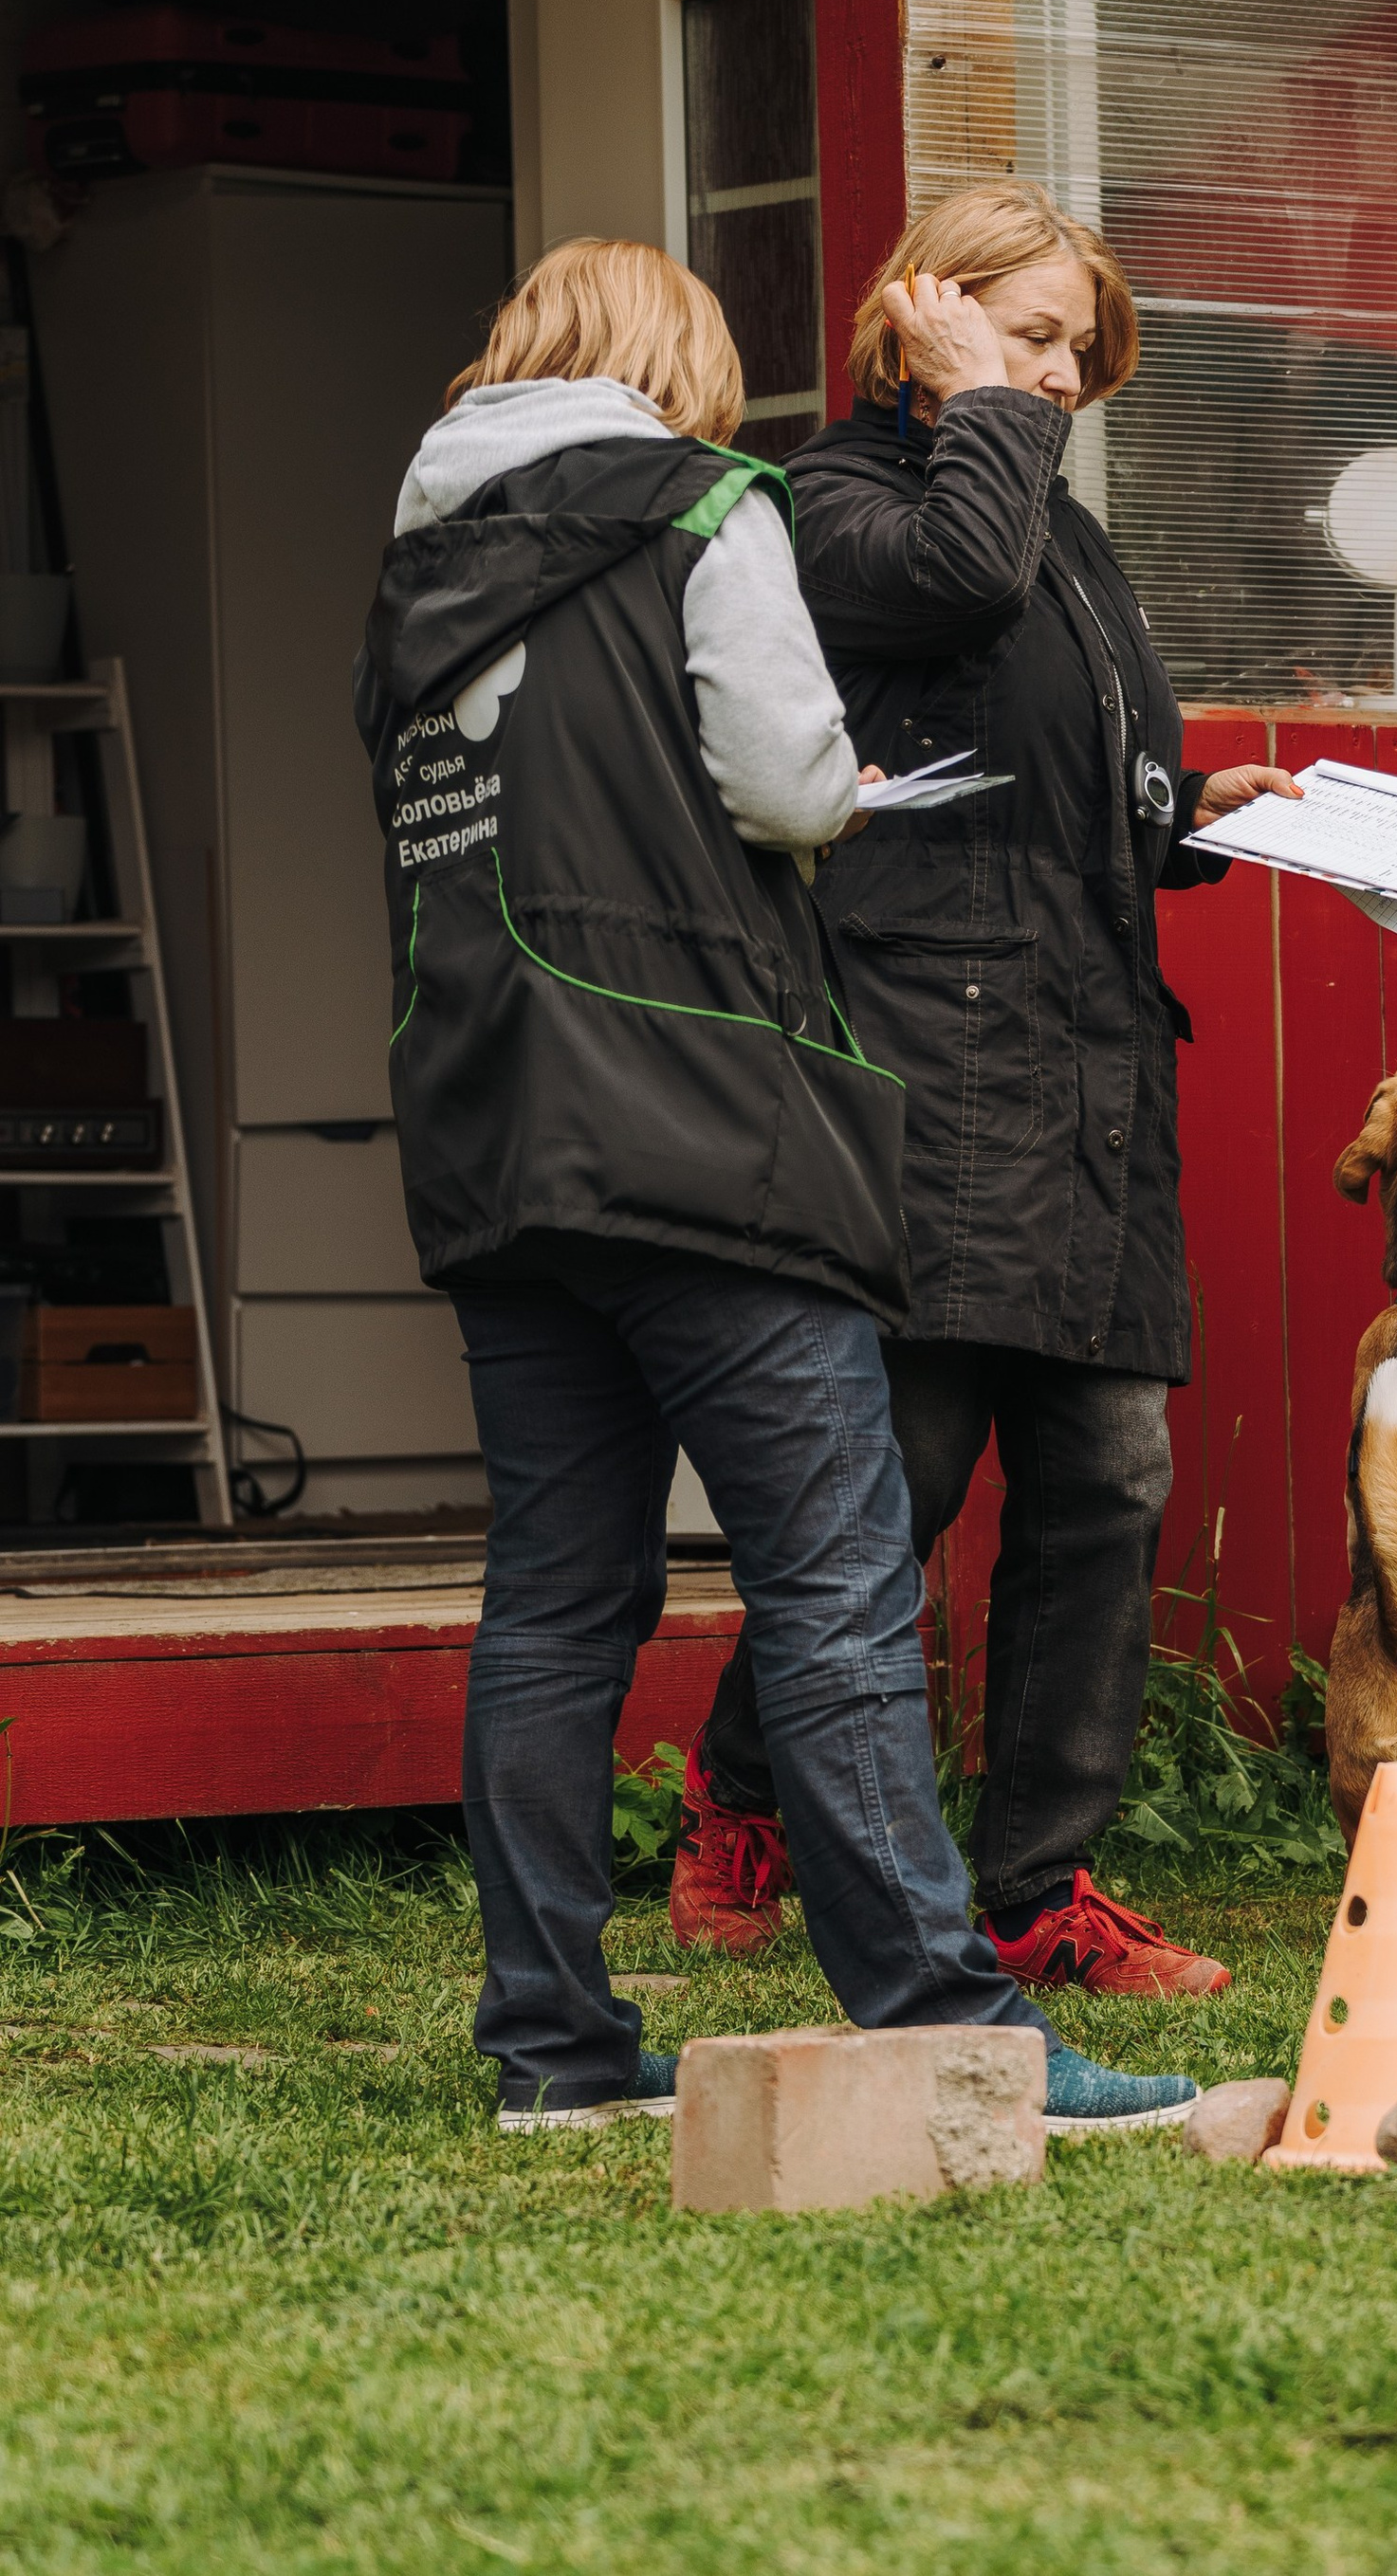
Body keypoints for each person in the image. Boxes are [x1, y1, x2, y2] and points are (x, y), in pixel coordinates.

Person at [357, 236, 1196, 2133]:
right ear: (677, 374)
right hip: (700, 1124)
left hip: (491, 1128)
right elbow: (798, 787)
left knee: (556, 1604)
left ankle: (553, 2052)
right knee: (836, 1590)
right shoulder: (706, 504)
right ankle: (945, 2025)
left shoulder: (417, 569)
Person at [673, 186, 1300, 1995]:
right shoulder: (834, 504)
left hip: (1092, 1064)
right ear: (920, 315)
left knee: (1108, 1484)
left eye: (1079, 360)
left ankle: (1037, 1891)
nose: (1062, 384)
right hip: (929, 1061)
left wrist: (1189, 820)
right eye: (1031, 341)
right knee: (900, 1475)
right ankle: (745, 1801)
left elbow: (1050, 778)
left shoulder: (1062, 528)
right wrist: (994, 411)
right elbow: (953, 588)